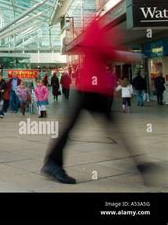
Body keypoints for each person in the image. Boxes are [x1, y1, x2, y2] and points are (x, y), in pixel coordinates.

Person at [41, 18, 155, 185]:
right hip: (90, 91)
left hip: (92, 91)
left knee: (108, 128)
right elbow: (106, 51)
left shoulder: (95, 32)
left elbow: (106, 52)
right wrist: (131, 55)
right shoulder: (95, 30)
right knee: (109, 128)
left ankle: (52, 162)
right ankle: (52, 163)